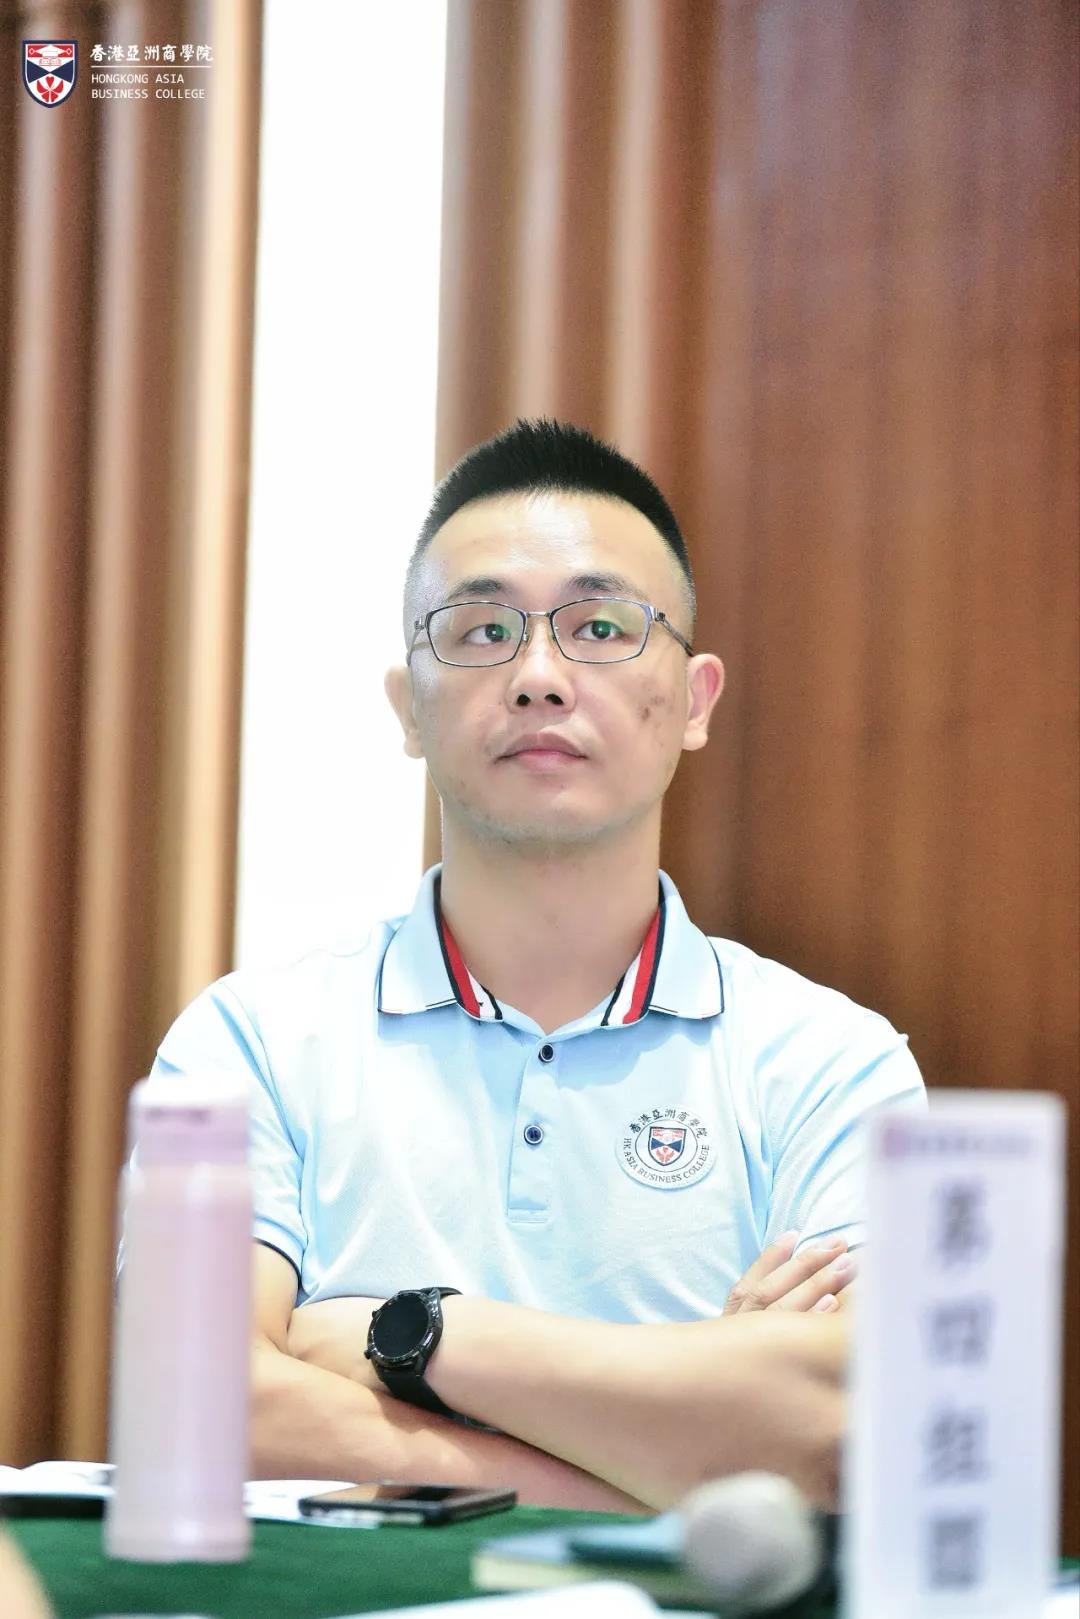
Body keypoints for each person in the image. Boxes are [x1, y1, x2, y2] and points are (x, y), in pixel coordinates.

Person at [150, 419, 925, 1508]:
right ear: (407, 707)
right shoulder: (249, 1043)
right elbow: (195, 1409)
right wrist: (671, 1454)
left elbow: (861, 1434)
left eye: (601, 626)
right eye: (480, 630)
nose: (539, 676)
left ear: (696, 701)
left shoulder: (830, 1062)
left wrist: (415, 1337)